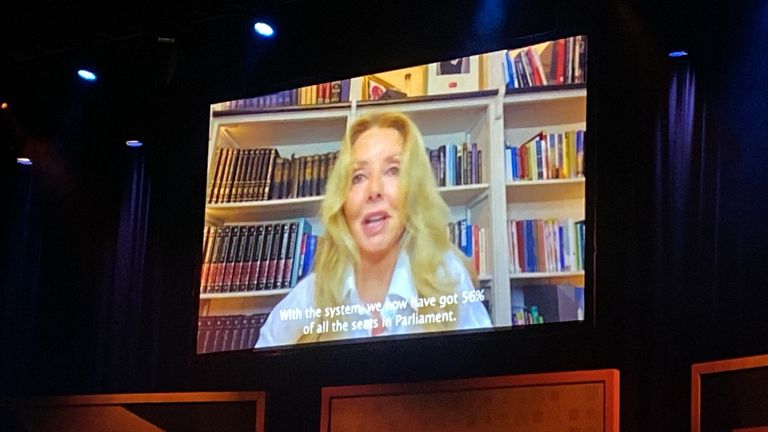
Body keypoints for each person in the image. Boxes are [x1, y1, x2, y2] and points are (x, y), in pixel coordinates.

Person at [256, 111, 491, 348]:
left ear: (414, 191)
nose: (374, 190)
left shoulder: (448, 279)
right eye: (358, 177)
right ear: (342, 201)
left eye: (393, 170)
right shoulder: (310, 296)